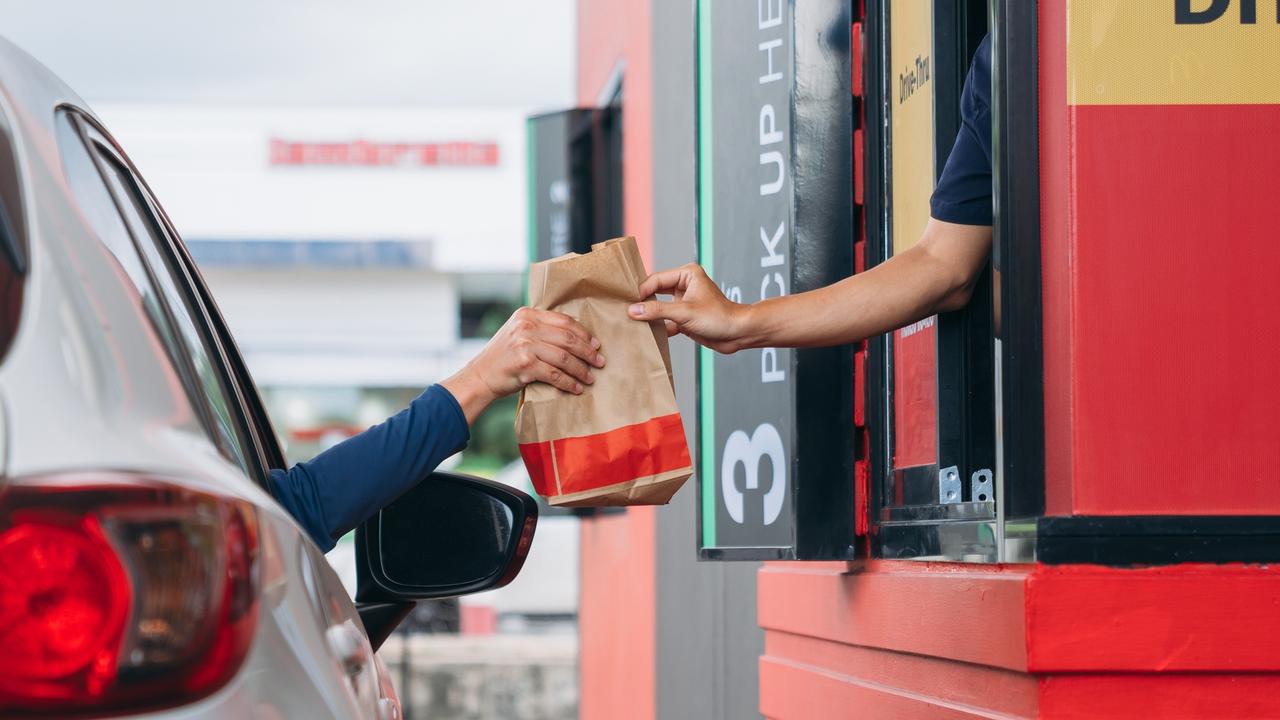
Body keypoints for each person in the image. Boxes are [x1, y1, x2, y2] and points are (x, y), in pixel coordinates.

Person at [629, 35, 993, 352]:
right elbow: (944, 266)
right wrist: (739, 323)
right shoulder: (993, 71)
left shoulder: (997, 65)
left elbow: (944, 268)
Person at [271, 307, 605, 551]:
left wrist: (480, 380)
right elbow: (301, 506)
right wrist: (478, 380)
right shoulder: (263, 523)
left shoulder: (257, 523)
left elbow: (297, 507)